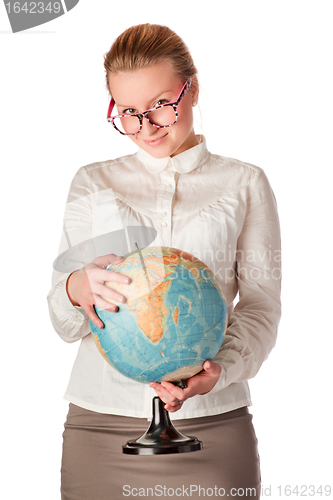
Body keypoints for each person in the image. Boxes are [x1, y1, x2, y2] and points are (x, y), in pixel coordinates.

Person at [47, 23, 281, 500]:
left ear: (192, 89)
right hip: (101, 427)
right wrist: (74, 288)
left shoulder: (245, 183)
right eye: (128, 112)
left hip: (213, 428)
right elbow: (65, 322)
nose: (145, 127)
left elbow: (261, 307)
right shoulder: (92, 183)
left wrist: (222, 370)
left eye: (160, 104)